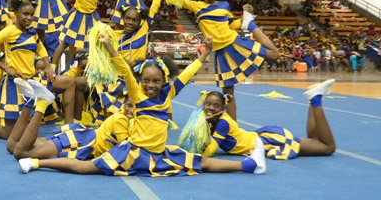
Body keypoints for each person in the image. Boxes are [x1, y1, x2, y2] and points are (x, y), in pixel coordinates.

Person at [19, 34, 266, 177]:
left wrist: (205, 53)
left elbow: (188, 73)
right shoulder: (138, 96)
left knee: (201, 162)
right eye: (146, 80)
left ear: (163, 80)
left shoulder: (168, 93)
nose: (150, 84)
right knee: (86, 168)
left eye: (156, 80)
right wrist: (107, 44)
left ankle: (249, 164)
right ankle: (38, 163)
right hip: (133, 153)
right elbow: (125, 69)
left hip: (158, 154)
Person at [0, 0, 75, 139]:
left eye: (32, 15)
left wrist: (49, 66)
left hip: (34, 80)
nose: (29, 18)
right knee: (9, 135)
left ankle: (68, 126)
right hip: (16, 84)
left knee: (70, 82)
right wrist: (5, 68)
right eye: (25, 14)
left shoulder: (32, 30)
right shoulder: (8, 31)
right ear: (16, 13)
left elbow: (41, 48)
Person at [180, 0, 279, 119]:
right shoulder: (196, 6)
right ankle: (234, 128)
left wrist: (245, 18)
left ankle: (249, 22)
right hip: (221, 53)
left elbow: (232, 25)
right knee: (228, 92)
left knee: (274, 54)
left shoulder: (225, 5)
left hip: (235, 43)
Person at [184, 79, 336, 160]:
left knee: (327, 148)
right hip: (260, 139)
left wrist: (194, 154)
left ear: (223, 109)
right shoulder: (210, 119)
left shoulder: (223, 122)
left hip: (267, 142)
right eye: (208, 104)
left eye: (216, 105)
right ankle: (313, 99)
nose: (210, 108)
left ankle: (316, 99)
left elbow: (210, 151)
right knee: (314, 140)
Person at [7, 78, 133, 161]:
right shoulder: (122, 119)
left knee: (12, 146)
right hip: (83, 142)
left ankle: (29, 101)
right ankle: (42, 103)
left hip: (83, 135)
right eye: (129, 106)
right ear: (123, 105)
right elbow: (125, 151)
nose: (132, 111)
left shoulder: (128, 118)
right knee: (20, 152)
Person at [116, 0, 165, 65]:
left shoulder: (143, 30)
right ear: (123, 18)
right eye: (128, 18)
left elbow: (155, 5)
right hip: (118, 78)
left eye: (135, 20)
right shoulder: (114, 35)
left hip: (137, 77)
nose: (130, 22)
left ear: (140, 22)